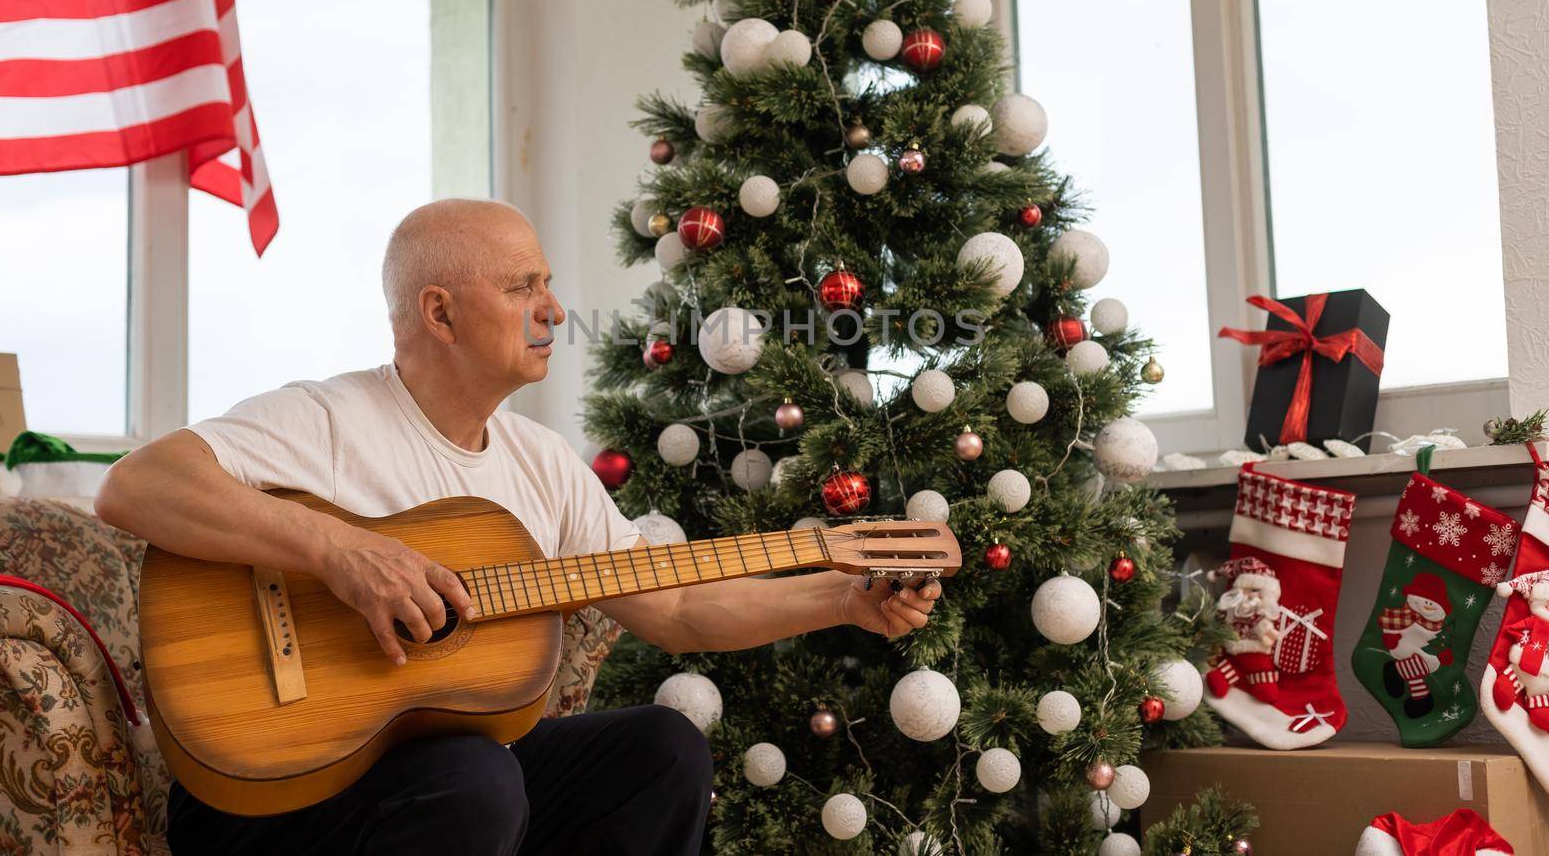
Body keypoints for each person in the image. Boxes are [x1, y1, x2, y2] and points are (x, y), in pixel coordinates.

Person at [97, 198, 941, 856]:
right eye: (522, 287)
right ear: (439, 312)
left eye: (545, 283)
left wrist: (839, 593)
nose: (554, 308)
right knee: (476, 775)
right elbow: (137, 486)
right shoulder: (327, 416)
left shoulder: (540, 461)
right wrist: (340, 551)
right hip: (267, 788)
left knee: (664, 748)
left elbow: (677, 608)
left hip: (451, 789)